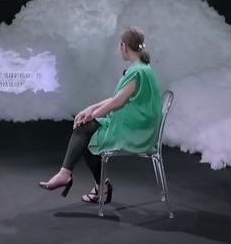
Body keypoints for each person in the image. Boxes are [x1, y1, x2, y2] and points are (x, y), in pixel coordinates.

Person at [39, 26, 162, 203]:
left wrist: (92, 115)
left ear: (124, 46)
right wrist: (90, 109)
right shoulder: (142, 68)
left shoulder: (137, 71)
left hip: (135, 131)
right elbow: (118, 98)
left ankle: (71, 176)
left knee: (85, 132)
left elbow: (117, 102)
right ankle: (87, 182)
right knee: (86, 133)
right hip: (135, 125)